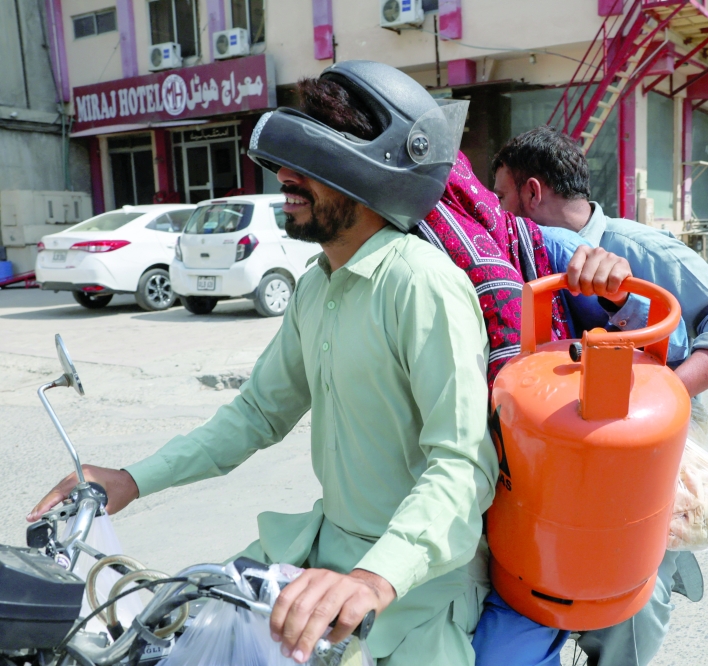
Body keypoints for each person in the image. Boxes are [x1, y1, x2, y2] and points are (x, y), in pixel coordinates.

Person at [29, 62, 500, 666]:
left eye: (308, 162)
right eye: (286, 158)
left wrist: (374, 578)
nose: (284, 177)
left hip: (410, 592)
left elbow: (462, 464)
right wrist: (132, 478)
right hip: (319, 563)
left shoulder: (420, 284)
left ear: (371, 171)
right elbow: (256, 414)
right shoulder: (317, 286)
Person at [482, 126, 708, 666]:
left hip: (633, 468)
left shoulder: (631, 248)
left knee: (629, 607)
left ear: (531, 191)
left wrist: (665, 395)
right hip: (557, 471)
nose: (496, 212)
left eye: (501, 197)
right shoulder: (526, 259)